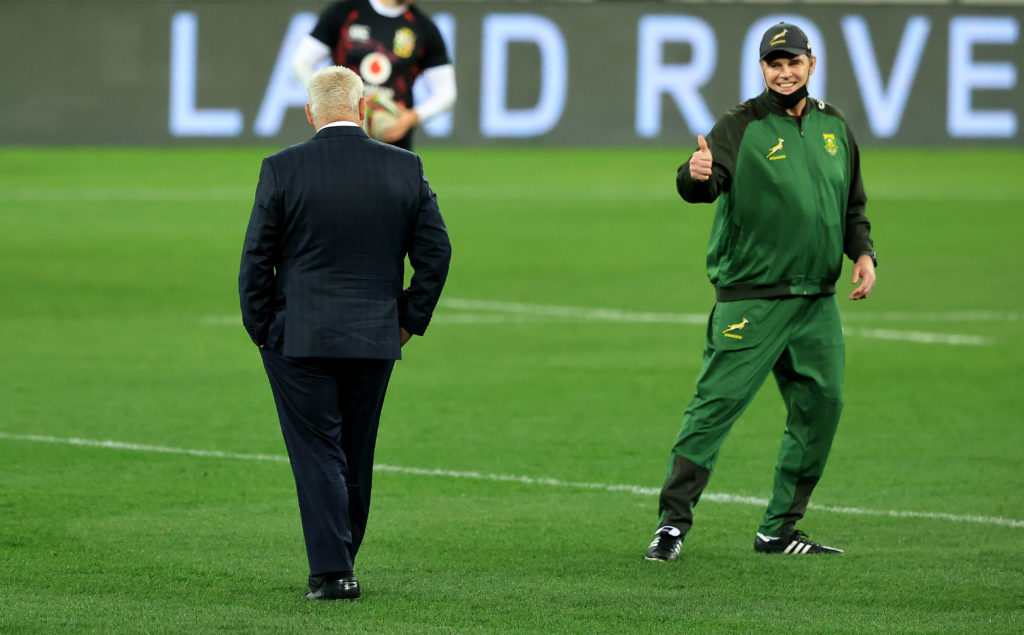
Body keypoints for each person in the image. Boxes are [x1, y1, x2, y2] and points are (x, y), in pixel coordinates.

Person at [644, 22, 877, 561]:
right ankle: (672, 526)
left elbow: (852, 205)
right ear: (763, 69)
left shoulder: (834, 126)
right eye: (775, 63)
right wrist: (695, 174)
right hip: (752, 297)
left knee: (823, 408)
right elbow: (701, 183)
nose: (785, 71)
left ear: (811, 64)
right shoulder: (740, 125)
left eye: (793, 61)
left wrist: (862, 253)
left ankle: (779, 529)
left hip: (816, 301)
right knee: (714, 409)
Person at [239, 65, 452, 599]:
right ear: (362, 110)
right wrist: (408, 320)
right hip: (375, 335)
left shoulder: (282, 168)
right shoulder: (405, 167)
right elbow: (436, 252)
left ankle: (334, 573)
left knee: (318, 454)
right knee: (355, 453)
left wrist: (263, 328)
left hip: (299, 337)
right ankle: (342, 558)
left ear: (310, 114)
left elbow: (256, 259)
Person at [292, 0, 456, 150]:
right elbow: (302, 64)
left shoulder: (423, 28)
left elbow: (446, 93)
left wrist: (411, 117)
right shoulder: (344, 12)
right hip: (343, 138)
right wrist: (333, 104)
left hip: (394, 145)